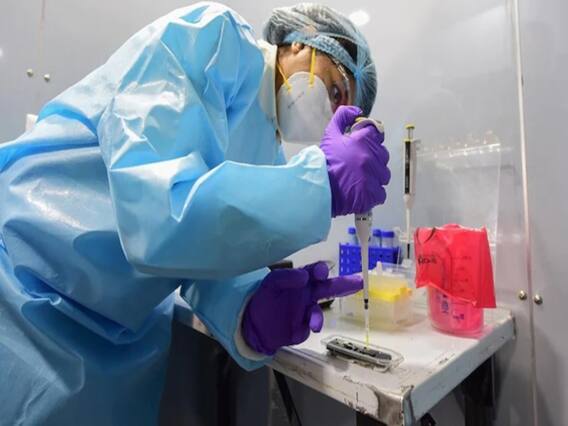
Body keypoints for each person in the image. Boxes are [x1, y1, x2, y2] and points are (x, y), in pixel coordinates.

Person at [0, 2, 390, 424]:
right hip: (23, 279)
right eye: (335, 89)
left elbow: (202, 255)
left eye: (340, 111)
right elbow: (159, 213)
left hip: (112, 339)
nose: (328, 110)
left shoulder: (269, 153)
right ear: (301, 42)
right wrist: (320, 184)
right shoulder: (214, 39)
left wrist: (251, 310)